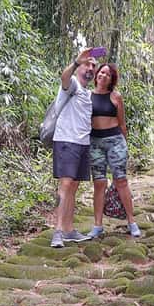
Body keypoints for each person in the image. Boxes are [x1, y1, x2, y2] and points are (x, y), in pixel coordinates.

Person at [87, 62, 141, 238]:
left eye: (108, 75)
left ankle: (132, 222)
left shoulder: (116, 96)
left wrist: (125, 144)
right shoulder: (87, 96)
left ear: (112, 80)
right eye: (101, 72)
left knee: (121, 180)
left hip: (115, 142)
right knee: (99, 183)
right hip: (95, 142)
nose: (104, 76)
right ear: (96, 75)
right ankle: (97, 226)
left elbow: (122, 123)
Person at [51, 48, 98, 248]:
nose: (90, 68)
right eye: (87, 64)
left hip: (82, 143)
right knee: (66, 185)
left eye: (93, 66)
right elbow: (64, 76)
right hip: (66, 141)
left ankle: (69, 230)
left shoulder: (87, 93)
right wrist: (77, 62)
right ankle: (58, 231)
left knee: (74, 186)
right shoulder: (72, 85)